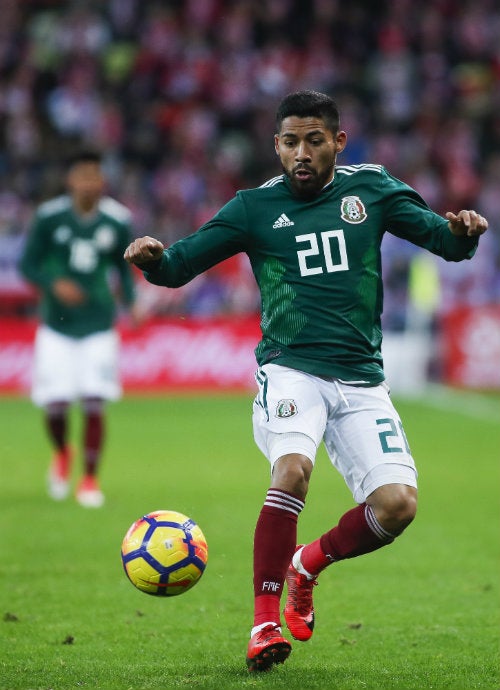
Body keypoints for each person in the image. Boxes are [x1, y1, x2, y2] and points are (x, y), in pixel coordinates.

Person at [123, 91, 488, 671]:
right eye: (290, 141)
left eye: (313, 140)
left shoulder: (373, 189)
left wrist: (464, 230)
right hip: (289, 369)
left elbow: (445, 243)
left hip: (362, 380)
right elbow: (180, 265)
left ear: (337, 143)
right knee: (292, 468)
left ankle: (305, 565)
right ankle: (263, 624)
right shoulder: (253, 208)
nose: (300, 153)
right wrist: (151, 259)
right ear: (276, 145)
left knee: (397, 507)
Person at [19, 150, 139, 508]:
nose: (89, 182)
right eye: (82, 175)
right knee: (55, 405)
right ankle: (62, 452)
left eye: (95, 175)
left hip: (99, 323)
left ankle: (89, 478)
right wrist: (52, 283)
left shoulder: (117, 220)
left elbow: (124, 266)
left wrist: (131, 302)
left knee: (93, 401)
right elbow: (28, 265)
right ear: (70, 180)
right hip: (55, 326)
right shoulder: (49, 217)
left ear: (102, 180)